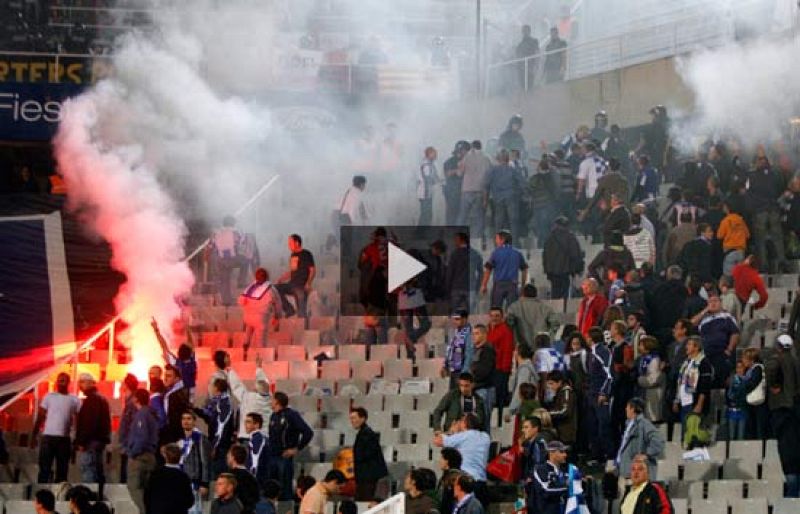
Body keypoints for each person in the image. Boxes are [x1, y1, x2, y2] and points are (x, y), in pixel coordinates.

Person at [765, 334, 800, 497]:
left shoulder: (776, 359)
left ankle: (791, 493)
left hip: (782, 410)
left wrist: (775, 385)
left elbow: (770, 369)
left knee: (787, 452)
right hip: (796, 409)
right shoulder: (796, 360)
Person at [32, 372, 80, 483]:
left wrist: (76, 438)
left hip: (64, 439)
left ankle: (59, 496)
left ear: (68, 382)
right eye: (59, 381)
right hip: (48, 437)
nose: (60, 383)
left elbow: (78, 420)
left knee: (62, 471)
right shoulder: (49, 397)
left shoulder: (75, 399)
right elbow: (40, 416)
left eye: (63, 381)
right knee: (44, 469)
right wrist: (34, 435)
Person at [433, 414, 491, 504]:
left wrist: (451, 432)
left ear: (465, 423)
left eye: (461, 421)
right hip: (481, 481)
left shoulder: (464, 436)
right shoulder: (485, 437)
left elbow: (437, 441)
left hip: (465, 481)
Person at [268, 391, 314, 500]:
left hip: (284, 457)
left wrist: (296, 449)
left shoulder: (291, 415)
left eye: (272, 399)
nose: (270, 402)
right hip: (272, 456)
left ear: (277, 401)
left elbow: (308, 432)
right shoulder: (273, 416)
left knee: (285, 489)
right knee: (271, 488)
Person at [746, 154, 787, 272]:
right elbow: (781, 187)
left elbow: (748, 193)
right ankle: (781, 261)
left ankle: (764, 265)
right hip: (773, 208)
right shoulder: (775, 174)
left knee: (761, 239)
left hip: (760, 210)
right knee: (777, 237)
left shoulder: (751, 176)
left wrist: (752, 208)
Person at [691, 291, 739, 387]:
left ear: (720, 303)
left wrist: (729, 350)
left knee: (721, 379)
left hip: (722, 353)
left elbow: (735, 333)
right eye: (710, 302)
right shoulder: (704, 320)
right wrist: (704, 311)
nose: (713, 303)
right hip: (706, 354)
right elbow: (691, 323)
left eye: (715, 301)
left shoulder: (727, 317)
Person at [124, 389, 159, 512]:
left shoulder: (141, 415)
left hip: (140, 457)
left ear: (136, 399)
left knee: (135, 488)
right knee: (146, 491)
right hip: (150, 456)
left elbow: (142, 437)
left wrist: (133, 452)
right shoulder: (151, 414)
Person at [672, 336, 713, 436]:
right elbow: (681, 382)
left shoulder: (703, 363)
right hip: (684, 403)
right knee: (685, 434)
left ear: (696, 347)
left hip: (694, 403)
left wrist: (699, 404)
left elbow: (705, 386)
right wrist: (677, 400)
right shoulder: (686, 363)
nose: (686, 346)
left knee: (694, 434)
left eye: (689, 344)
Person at [195, 378, 235, 479]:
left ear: (217, 388)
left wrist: (215, 446)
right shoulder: (216, 402)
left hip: (221, 446)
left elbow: (221, 426)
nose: (211, 389)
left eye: (212, 386)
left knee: (219, 474)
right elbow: (209, 417)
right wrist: (195, 410)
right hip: (215, 443)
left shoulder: (224, 403)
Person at [615, 398, 664, 480]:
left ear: (633, 409)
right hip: (627, 472)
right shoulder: (629, 424)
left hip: (637, 475)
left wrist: (646, 455)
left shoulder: (644, 424)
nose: (626, 409)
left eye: (627, 407)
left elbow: (659, 441)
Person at [74, 373, 111, 483]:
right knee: (97, 470)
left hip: (91, 442)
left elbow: (89, 423)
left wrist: (81, 441)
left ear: (90, 383)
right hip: (98, 441)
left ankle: (90, 496)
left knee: (89, 470)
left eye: (82, 382)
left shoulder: (92, 400)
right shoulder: (100, 398)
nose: (80, 385)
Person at [228, 354, 271, 444]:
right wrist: (259, 368)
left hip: (248, 438)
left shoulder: (249, 398)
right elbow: (264, 383)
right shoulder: (270, 399)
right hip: (265, 438)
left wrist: (230, 371)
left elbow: (237, 387)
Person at [585, 327, 613, 463]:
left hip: (599, 395)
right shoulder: (592, 352)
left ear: (590, 337)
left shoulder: (602, 351)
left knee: (603, 426)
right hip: (592, 394)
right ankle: (597, 456)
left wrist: (604, 392)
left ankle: (609, 456)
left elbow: (609, 374)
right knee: (593, 425)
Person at [480, 230, 528, 309]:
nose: (495, 242)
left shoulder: (496, 253)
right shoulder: (517, 253)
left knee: (496, 309)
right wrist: (523, 286)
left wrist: (484, 285)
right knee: (512, 311)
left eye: (497, 239)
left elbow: (488, 269)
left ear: (503, 240)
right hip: (513, 285)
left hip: (499, 285)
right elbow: (524, 270)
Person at [350, 407, 389, 501]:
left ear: (363, 418)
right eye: (351, 418)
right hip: (366, 477)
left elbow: (364, 456)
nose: (352, 421)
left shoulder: (367, 434)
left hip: (368, 477)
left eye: (354, 418)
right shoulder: (364, 433)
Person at [458, 140, 493, 244]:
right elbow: (489, 175)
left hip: (467, 190)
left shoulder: (467, 157)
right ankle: (476, 240)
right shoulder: (486, 158)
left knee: (462, 216)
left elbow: (460, 173)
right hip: (480, 190)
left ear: (472, 147)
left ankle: (458, 237)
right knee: (479, 217)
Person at [145, 443, 195, 514]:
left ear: (165, 456)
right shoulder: (183, 477)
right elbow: (189, 501)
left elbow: (147, 498)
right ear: (180, 456)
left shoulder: (155, 475)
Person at [506, 283, 562, 347]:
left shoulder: (514, 307)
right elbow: (555, 324)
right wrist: (549, 338)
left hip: (522, 348)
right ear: (536, 294)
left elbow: (509, 323)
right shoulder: (546, 308)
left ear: (523, 293)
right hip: (541, 345)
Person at [484, 150, 524, 238]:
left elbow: (486, 185)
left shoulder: (492, 170)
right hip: (512, 197)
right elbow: (522, 183)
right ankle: (515, 242)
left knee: (499, 221)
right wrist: (519, 194)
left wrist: (485, 200)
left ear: (498, 159)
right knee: (513, 221)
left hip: (498, 198)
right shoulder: (513, 170)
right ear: (507, 159)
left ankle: (498, 243)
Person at [239, 268, 283, 348]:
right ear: (267, 277)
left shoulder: (250, 288)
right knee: (260, 343)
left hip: (248, 317)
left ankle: (245, 346)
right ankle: (260, 356)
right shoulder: (271, 289)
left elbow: (241, 301)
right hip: (260, 318)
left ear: (255, 277)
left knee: (248, 331)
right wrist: (277, 317)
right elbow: (278, 304)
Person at [177, 410, 212, 510]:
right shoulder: (180, 439)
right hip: (181, 481)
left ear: (194, 421)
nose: (185, 421)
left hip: (194, 482)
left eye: (189, 419)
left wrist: (204, 483)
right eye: (183, 419)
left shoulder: (200, 438)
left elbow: (205, 462)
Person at [542, 216, 584, 299]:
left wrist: (547, 270)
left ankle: (555, 310)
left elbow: (545, 256)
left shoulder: (549, 238)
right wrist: (577, 269)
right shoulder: (570, 237)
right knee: (565, 295)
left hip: (553, 273)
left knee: (555, 294)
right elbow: (575, 254)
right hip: (565, 271)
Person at [275, 234, 315, 319]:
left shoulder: (306, 254)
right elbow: (292, 271)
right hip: (291, 284)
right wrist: (282, 278)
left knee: (301, 314)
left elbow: (312, 270)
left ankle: (304, 326)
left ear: (297, 243)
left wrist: (308, 283)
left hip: (301, 286)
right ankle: (289, 309)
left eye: (290, 243)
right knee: (275, 289)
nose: (289, 245)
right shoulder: (293, 255)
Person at [446, 231, 483, 312]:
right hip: (471, 288)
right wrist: (477, 286)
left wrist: (447, 288)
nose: (455, 242)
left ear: (462, 240)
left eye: (456, 240)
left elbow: (450, 272)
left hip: (457, 287)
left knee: (455, 313)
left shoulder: (455, 254)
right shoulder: (475, 254)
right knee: (470, 313)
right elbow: (481, 272)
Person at [487, 308, 514, 416]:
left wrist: (505, 369)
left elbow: (507, 350)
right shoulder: (488, 329)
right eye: (492, 315)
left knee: (500, 397)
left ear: (502, 317)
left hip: (500, 369)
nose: (494, 318)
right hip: (491, 369)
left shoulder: (505, 331)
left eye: (497, 315)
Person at [211, 215, 242, 306]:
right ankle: (229, 299)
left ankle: (226, 300)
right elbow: (240, 241)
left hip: (219, 259)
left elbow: (212, 244)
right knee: (229, 279)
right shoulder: (235, 232)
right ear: (232, 223)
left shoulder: (217, 232)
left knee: (223, 280)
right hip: (231, 259)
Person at [531, 441, 569, 514]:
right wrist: (569, 486)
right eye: (561, 452)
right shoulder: (540, 469)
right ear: (551, 453)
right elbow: (547, 490)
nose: (565, 455)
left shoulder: (564, 470)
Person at [470, 325, 497, 427]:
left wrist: (471, 380)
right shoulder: (475, 351)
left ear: (484, 334)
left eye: (477, 333)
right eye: (473, 334)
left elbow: (484, 372)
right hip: (477, 390)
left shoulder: (487, 351)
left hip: (485, 390)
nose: (474, 336)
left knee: (483, 423)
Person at [635, 336, 664, 423]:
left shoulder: (654, 360)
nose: (639, 347)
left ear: (647, 347)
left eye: (641, 345)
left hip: (653, 396)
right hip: (645, 395)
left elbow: (653, 380)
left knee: (653, 420)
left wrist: (639, 380)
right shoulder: (642, 359)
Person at [717, 201, 750, 276]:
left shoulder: (725, 221)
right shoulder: (741, 220)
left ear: (728, 208)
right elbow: (747, 235)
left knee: (728, 276)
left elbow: (719, 236)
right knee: (740, 275)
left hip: (729, 251)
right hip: (741, 251)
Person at [741, 348, 767, 440]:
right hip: (751, 403)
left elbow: (753, 383)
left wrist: (742, 384)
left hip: (759, 404)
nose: (742, 361)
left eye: (744, 358)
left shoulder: (757, 368)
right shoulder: (749, 370)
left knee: (759, 427)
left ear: (751, 359)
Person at [507, 345, 539, 421]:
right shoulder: (524, 367)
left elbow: (520, 389)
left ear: (518, 353)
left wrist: (511, 410)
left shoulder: (525, 369)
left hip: (525, 409)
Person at [162, 363, 192, 445]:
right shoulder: (170, 392)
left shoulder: (177, 395)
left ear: (177, 379)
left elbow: (175, 419)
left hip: (175, 436)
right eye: (165, 375)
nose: (165, 378)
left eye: (169, 376)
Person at [545, 371, 577, 447]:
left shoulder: (566, 392)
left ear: (559, 382)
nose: (550, 387)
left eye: (552, 383)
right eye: (549, 384)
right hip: (561, 431)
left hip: (567, 432)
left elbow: (565, 411)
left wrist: (547, 414)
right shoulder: (559, 392)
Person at [443, 311, 474, 389]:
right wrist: (445, 365)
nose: (454, 322)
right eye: (454, 319)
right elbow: (449, 350)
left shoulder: (469, 333)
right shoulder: (454, 332)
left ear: (464, 320)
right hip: (453, 369)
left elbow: (469, 354)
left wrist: (464, 373)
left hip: (462, 370)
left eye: (457, 319)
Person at [228, 445, 260, 514]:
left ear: (233, 458)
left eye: (229, 455)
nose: (227, 457)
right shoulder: (252, 477)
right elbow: (256, 498)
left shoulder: (229, 476)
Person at [443, 142, 469, 225]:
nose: (460, 153)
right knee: (452, 215)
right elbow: (447, 174)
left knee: (463, 216)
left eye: (463, 151)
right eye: (459, 151)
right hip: (452, 192)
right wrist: (457, 171)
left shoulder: (468, 161)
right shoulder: (449, 162)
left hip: (464, 192)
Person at [417, 147, 439, 227]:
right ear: (429, 154)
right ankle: (420, 233)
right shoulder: (426, 164)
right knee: (426, 214)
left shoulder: (429, 164)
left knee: (427, 214)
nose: (436, 155)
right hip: (425, 193)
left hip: (427, 193)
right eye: (434, 153)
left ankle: (423, 233)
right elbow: (427, 179)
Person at [436, 448, 462, 514]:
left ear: (447, 461)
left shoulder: (454, 477)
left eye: (441, 458)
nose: (439, 461)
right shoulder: (446, 476)